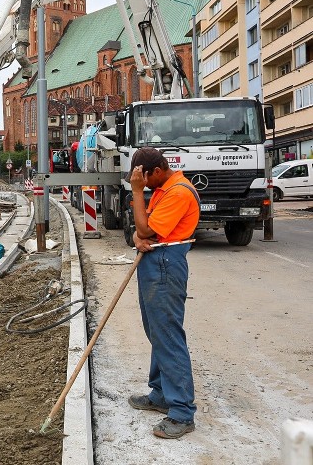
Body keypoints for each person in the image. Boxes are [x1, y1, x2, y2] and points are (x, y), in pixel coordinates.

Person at [127, 147, 200, 439]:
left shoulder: (178, 193)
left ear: (156, 171)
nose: (142, 185)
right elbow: (142, 229)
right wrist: (139, 235)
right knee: (156, 332)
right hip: (156, 261)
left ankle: (182, 411)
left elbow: (145, 230)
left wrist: (135, 195)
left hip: (166, 265)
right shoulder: (163, 189)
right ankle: (161, 393)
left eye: (143, 179)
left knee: (168, 335)